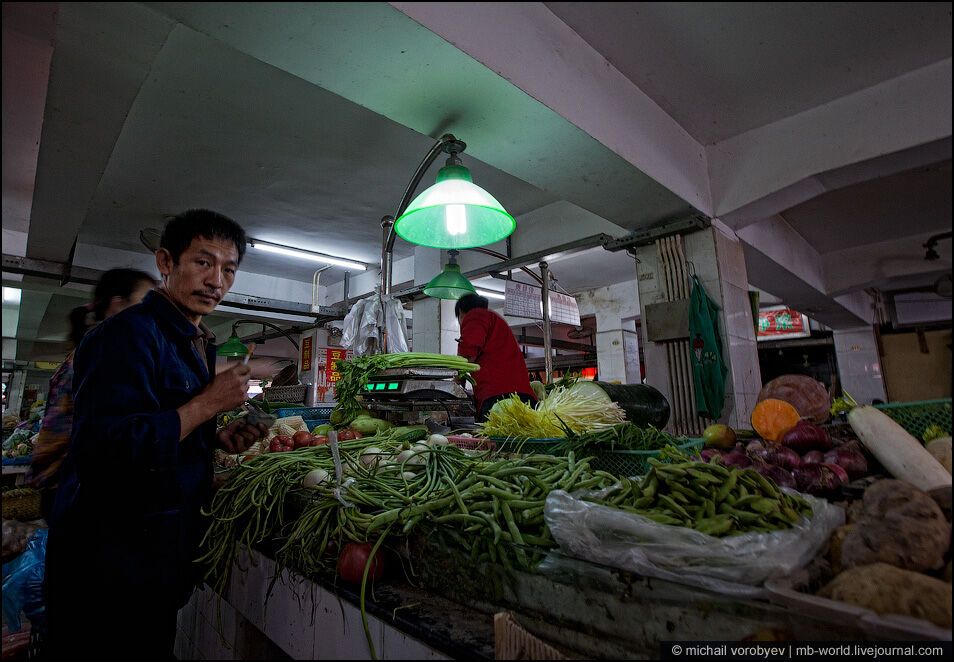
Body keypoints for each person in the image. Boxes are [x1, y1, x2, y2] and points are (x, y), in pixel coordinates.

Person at [44, 209, 269, 660]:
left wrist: (215, 437)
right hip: (109, 566)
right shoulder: (125, 335)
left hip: (155, 559)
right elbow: (104, 448)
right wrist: (209, 403)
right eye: (203, 263)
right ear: (166, 262)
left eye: (228, 269)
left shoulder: (191, 340)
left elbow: (165, 423)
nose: (216, 281)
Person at [27, 268, 155, 520]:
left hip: (67, 483)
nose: (154, 315)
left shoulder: (93, 348)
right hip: (75, 486)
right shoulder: (103, 353)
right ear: (118, 306)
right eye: (147, 303)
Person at [455, 293, 536, 421]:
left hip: (499, 399)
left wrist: (457, 378)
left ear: (461, 312)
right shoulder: (495, 320)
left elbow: (468, 355)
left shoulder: (475, 315)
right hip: (522, 397)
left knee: (495, 440)